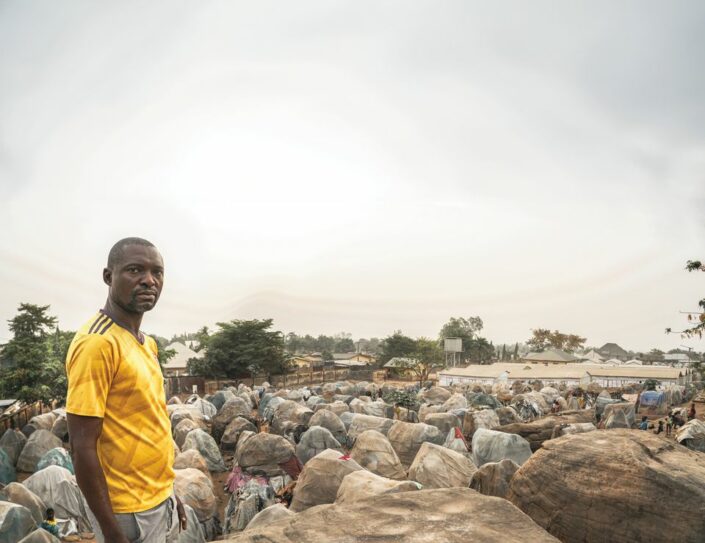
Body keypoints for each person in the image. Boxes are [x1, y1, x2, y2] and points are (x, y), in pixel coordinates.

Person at [66, 238, 187, 543]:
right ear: (109, 277)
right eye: (135, 270)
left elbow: (149, 421)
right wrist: (112, 532)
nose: (149, 280)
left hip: (156, 499)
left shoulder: (146, 343)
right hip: (126, 512)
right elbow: (82, 447)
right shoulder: (97, 344)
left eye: (157, 272)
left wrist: (169, 494)